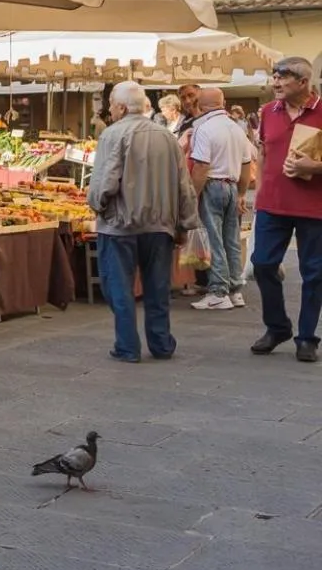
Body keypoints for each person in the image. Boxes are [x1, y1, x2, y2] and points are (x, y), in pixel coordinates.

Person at [86, 81, 199, 363]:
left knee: (119, 288)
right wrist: (184, 223)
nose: (109, 108)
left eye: (111, 103)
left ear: (121, 107)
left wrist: (97, 204)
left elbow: (105, 182)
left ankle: (127, 346)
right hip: (160, 225)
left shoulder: (113, 135)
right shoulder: (167, 137)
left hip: (120, 225)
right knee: (158, 287)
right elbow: (183, 185)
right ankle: (161, 343)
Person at [249, 57, 322, 362]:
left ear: (303, 82)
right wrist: (260, 193)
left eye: (283, 76)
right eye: (274, 75)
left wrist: (314, 166)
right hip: (272, 205)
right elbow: (264, 153)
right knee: (262, 264)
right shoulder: (268, 112)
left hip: (314, 206)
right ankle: (277, 327)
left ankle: (307, 337)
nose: (276, 82)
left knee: (315, 274)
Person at [189, 88, 255, 311]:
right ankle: (236, 290)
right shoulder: (237, 129)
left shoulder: (203, 128)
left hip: (212, 185)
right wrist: (241, 193)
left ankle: (218, 291)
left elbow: (201, 166)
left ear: (200, 104)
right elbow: (247, 166)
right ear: (223, 102)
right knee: (231, 240)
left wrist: (192, 195)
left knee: (214, 239)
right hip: (232, 185)